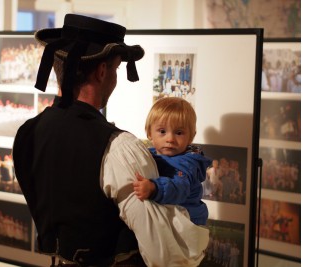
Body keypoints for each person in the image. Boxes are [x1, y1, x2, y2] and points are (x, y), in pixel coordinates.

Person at [12, 14, 209, 267]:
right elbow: (163, 254)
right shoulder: (119, 147)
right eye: (116, 69)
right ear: (103, 71)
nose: (115, 78)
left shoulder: (27, 133)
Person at [133, 97, 212, 225]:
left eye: (179, 132)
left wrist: (154, 188)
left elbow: (179, 187)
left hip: (187, 223)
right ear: (149, 133)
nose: (170, 139)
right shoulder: (149, 154)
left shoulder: (186, 163)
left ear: (191, 136)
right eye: (162, 131)